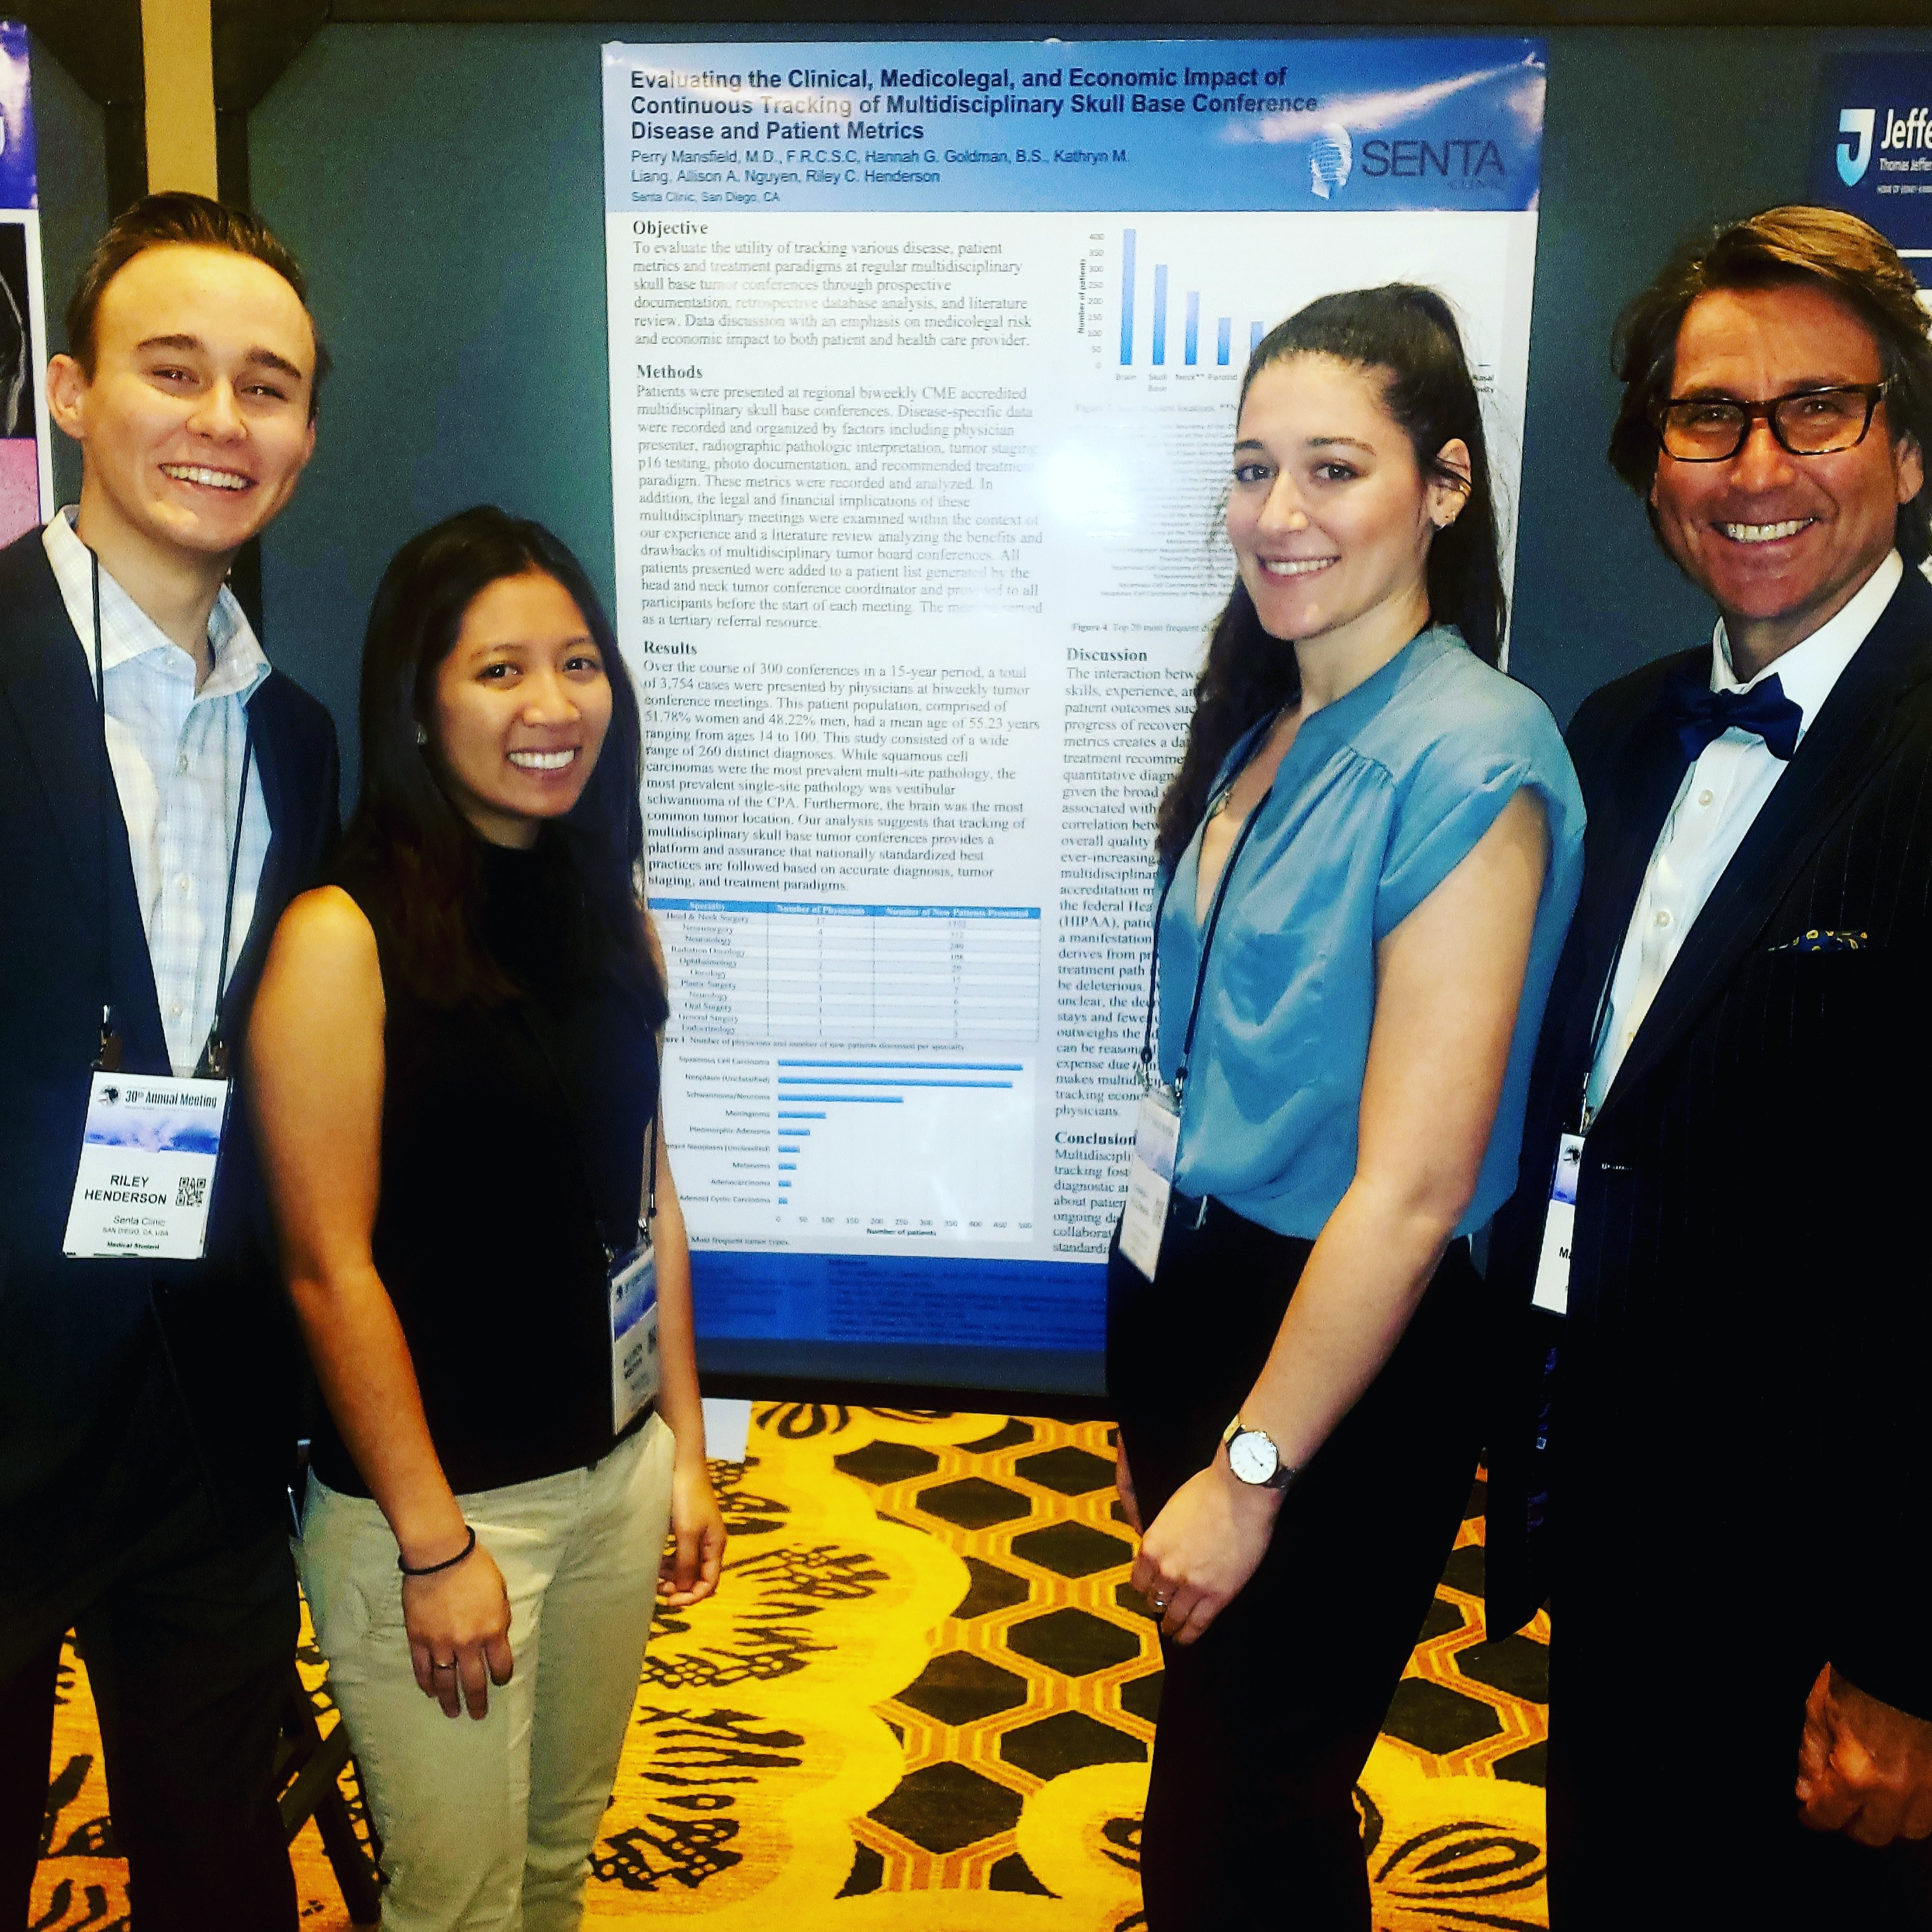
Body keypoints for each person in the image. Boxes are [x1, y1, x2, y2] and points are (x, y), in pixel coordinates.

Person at [1107, 283, 1584, 1928]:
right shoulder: (1275, 713)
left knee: (1247, 1813)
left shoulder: (1476, 754)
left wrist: (1249, 1471)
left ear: (1443, 485)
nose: (1277, 514)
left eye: (1332, 468)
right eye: (1253, 470)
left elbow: (1413, 1183)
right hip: (1201, 1286)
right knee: (1241, 1778)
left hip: (1339, 1353)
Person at [1484, 205, 1932, 1928]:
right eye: (1707, 418)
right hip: (1620, 1543)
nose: (1760, 464)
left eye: (1819, 409)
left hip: (1832, 1617)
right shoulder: (1617, 728)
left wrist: (1908, 1655)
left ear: (1906, 442)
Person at [247, 505, 726, 1932]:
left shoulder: (604, 912)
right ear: (418, 700)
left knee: (557, 1869)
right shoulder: (343, 936)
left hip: (611, 1479)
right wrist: (434, 1544)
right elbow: (329, 1270)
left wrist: (682, 1449)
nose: (553, 705)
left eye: (579, 665)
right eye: (501, 671)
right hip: (449, 1522)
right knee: (457, 1906)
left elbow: (648, 1193)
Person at [0, 194, 335, 1929]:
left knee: (221, 1863)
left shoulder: (294, 731)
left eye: (266, 386)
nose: (222, 421)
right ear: (70, 391)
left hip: (201, 1410)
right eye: (173, 370)